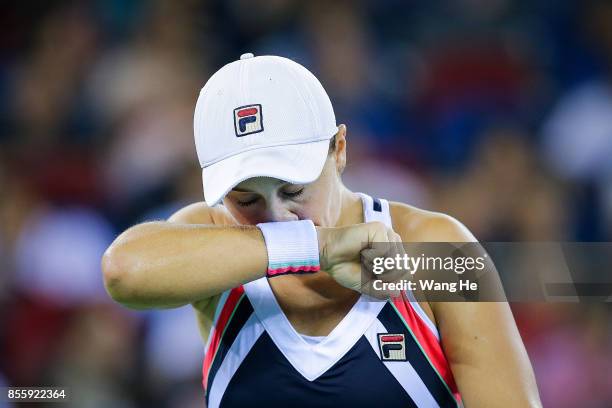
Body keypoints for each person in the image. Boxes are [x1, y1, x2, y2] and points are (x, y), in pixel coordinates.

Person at [102, 53, 541, 407]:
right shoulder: (212, 236)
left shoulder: (434, 250)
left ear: (340, 149)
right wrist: (318, 247)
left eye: (294, 190)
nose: (276, 217)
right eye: (247, 199)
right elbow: (123, 270)